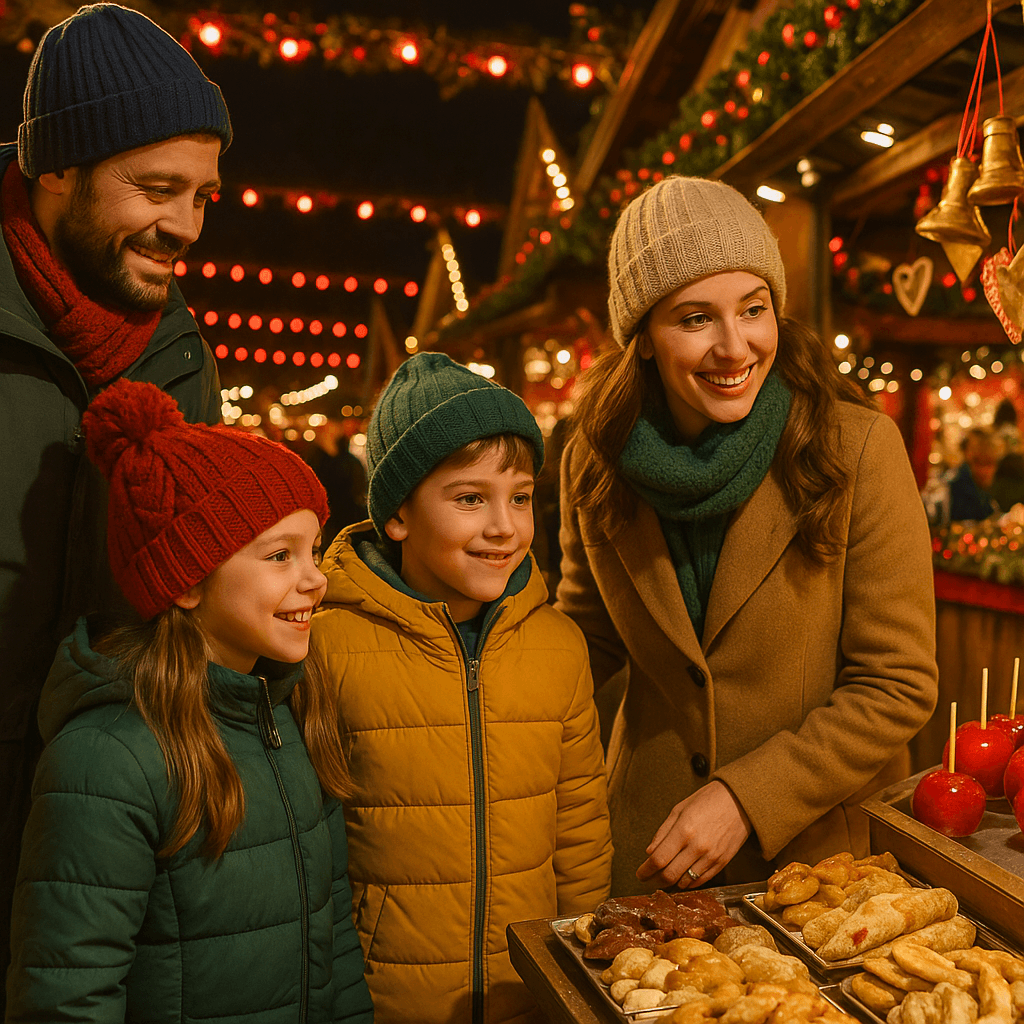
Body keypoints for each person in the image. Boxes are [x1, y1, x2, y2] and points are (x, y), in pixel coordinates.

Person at [556, 176, 938, 896]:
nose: (735, 347)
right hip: (647, 851)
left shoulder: (856, 447)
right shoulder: (595, 458)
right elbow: (586, 638)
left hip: (817, 864)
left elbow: (896, 684)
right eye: (696, 318)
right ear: (643, 337)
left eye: (753, 309)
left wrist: (746, 796)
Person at [6, 380, 374, 1023]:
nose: (315, 578)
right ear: (187, 581)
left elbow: (335, 940)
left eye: (313, 550)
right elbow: (68, 994)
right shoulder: (106, 760)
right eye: (280, 555)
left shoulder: (292, 714)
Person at [0, 3, 229, 985]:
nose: (186, 225)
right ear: (57, 168)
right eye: (156, 188)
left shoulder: (181, 362)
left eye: (203, 195)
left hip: (97, 852)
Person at [311, 352, 612, 1024]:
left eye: (520, 497)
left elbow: (580, 834)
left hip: (529, 996)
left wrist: (585, 974)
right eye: (470, 498)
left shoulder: (559, 648)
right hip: (386, 1002)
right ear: (397, 514)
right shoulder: (327, 648)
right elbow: (313, 854)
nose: (503, 526)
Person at [948, 428, 1000, 521]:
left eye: (989, 464)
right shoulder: (959, 485)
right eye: (981, 464)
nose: (985, 471)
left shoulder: (988, 488)